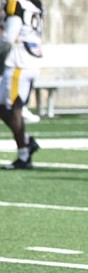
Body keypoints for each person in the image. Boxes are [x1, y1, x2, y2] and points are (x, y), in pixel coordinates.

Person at [0, 0, 43, 170]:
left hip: (19, 62)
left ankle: (24, 154)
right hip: (29, 59)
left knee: (14, 107)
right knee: (3, 105)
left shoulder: (16, 4)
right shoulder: (35, 4)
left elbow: (9, 38)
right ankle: (25, 142)